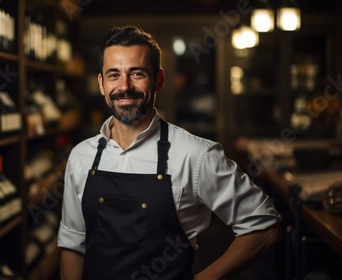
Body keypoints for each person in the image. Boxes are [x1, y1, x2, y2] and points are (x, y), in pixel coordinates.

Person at [57, 25, 282, 280]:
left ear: (159, 80)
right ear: (101, 83)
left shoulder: (195, 154)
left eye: (137, 73)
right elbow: (73, 243)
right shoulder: (80, 156)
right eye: (113, 75)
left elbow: (264, 226)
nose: (124, 86)